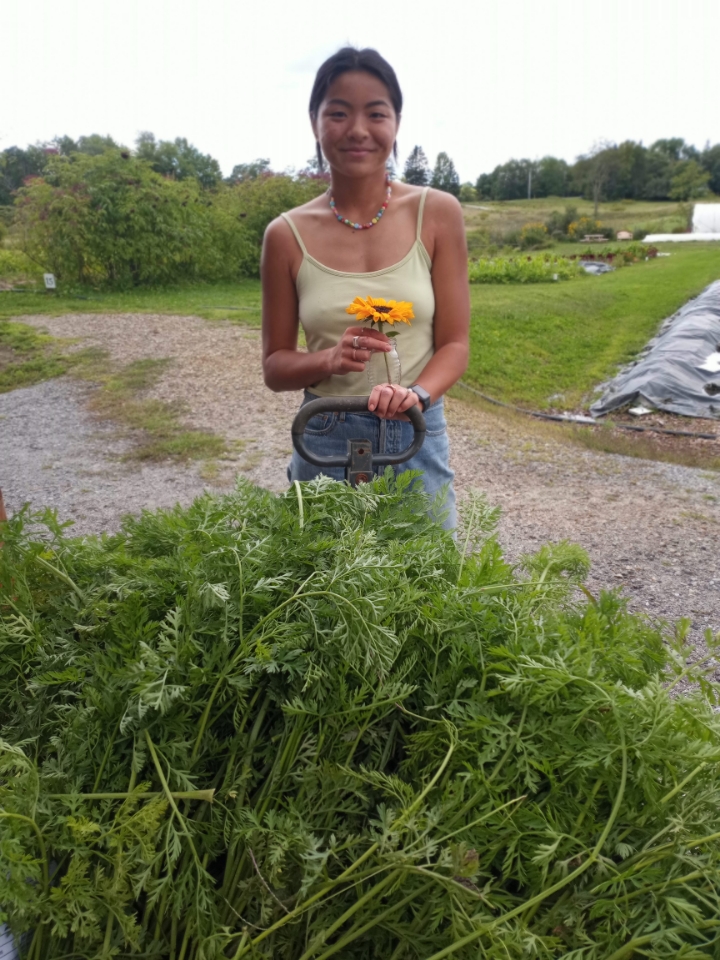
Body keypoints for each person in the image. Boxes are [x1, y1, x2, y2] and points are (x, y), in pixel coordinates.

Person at [261, 47, 469, 529]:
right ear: (314, 122)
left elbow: (455, 345)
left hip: (415, 431)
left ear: (396, 123)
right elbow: (275, 367)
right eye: (338, 113)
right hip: (323, 433)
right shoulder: (285, 235)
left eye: (376, 113)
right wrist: (329, 360)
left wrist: (417, 395)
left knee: (431, 572)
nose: (357, 129)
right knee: (320, 573)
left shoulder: (438, 214)